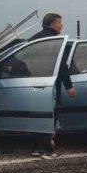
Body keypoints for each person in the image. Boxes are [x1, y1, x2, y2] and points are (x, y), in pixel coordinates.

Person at [27, 12, 77, 159]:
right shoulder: (56, 42)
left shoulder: (34, 40)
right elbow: (62, 66)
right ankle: (47, 149)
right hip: (51, 85)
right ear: (53, 24)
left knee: (37, 115)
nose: (61, 25)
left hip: (33, 83)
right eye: (59, 23)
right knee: (51, 115)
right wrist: (69, 86)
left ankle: (37, 147)